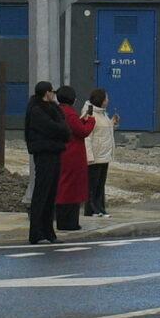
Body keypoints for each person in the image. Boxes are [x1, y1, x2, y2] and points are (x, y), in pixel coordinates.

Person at [24, 80, 66, 244]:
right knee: (42, 193)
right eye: (52, 92)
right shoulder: (37, 110)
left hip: (54, 151)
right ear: (47, 93)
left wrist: (61, 129)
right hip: (44, 153)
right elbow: (54, 128)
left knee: (51, 194)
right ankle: (37, 232)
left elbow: (63, 127)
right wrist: (61, 129)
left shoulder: (52, 108)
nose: (54, 95)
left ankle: (48, 231)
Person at [55, 86, 93, 232]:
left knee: (64, 186)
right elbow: (82, 131)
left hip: (64, 153)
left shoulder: (58, 110)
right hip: (73, 154)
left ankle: (64, 221)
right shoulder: (70, 113)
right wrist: (90, 121)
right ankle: (70, 223)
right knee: (71, 188)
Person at [85, 86, 117, 217]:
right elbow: (87, 137)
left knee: (100, 184)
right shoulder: (91, 114)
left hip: (103, 155)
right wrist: (89, 156)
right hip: (96, 156)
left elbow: (103, 132)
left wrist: (112, 123)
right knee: (93, 185)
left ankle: (100, 208)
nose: (108, 100)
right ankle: (92, 209)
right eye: (106, 98)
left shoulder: (103, 114)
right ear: (101, 100)